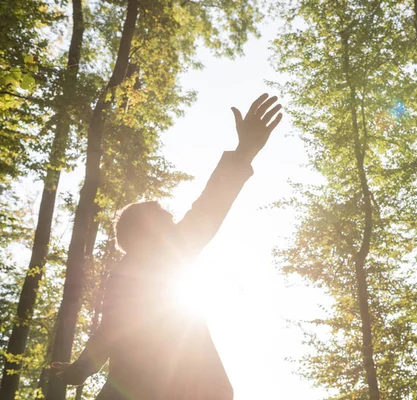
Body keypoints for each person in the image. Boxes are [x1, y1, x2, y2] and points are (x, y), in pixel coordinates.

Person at [51, 94, 283, 399]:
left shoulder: (153, 264)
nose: (174, 222)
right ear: (145, 233)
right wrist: (242, 154)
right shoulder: (151, 263)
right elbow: (113, 329)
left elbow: (110, 330)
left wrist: (79, 370)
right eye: (166, 218)